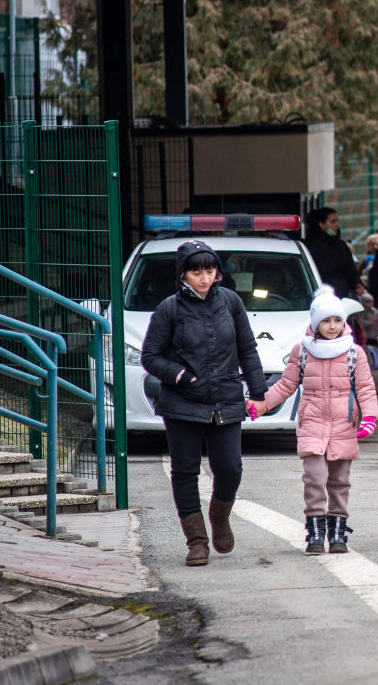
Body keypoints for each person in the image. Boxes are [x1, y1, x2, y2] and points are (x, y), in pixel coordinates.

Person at [140, 240, 267, 566]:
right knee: (184, 472)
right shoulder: (169, 308)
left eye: (209, 270)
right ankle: (196, 541)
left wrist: (258, 391)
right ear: (183, 274)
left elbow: (247, 349)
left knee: (230, 467)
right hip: (182, 403)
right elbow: (150, 357)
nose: (204, 277)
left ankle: (219, 515)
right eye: (197, 271)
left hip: (225, 398)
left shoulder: (231, 302)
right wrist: (179, 375)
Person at [252, 290, 378, 555]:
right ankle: (315, 529)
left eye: (336, 320)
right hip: (312, 422)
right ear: (314, 323)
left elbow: (366, 388)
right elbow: (286, 384)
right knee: (314, 476)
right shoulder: (302, 351)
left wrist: (369, 417)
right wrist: (263, 403)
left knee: (340, 480)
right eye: (326, 321)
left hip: (343, 424)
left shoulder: (354, 353)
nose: (332, 326)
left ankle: (337, 531)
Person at [303, 208, 362, 299]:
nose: (336, 225)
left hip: (341, 295)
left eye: (337, 221)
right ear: (321, 225)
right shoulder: (310, 246)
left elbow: (350, 269)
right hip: (318, 294)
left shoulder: (340, 245)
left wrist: (357, 284)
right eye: (332, 222)